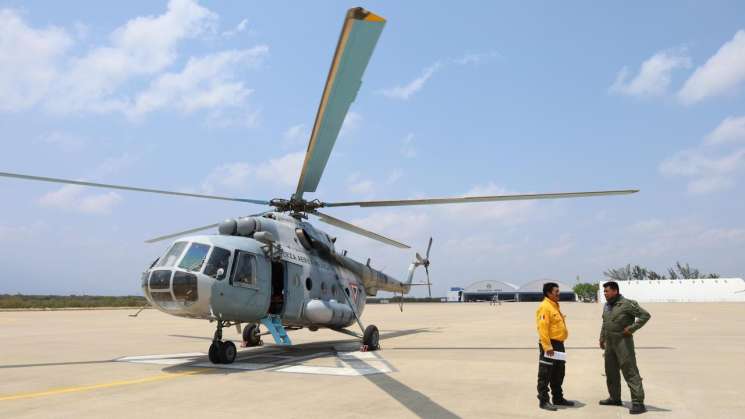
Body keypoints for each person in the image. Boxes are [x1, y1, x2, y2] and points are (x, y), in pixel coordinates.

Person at [598, 281, 651, 415]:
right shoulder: (607, 306)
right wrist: (602, 338)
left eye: (607, 291)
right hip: (610, 343)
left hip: (623, 341)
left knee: (630, 371)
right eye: (604, 291)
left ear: (615, 291)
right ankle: (615, 398)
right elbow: (605, 322)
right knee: (611, 372)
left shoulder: (627, 304)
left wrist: (632, 328)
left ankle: (638, 403)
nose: (605, 293)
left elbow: (645, 315)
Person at [536, 282, 574, 411]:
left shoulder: (555, 306)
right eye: (556, 291)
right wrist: (547, 346)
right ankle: (543, 401)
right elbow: (542, 328)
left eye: (558, 291)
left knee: (559, 372)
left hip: (559, 344)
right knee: (545, 374)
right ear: (548, 293)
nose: (559, 293)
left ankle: (558, 398)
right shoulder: (545, 307)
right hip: (550, 345)